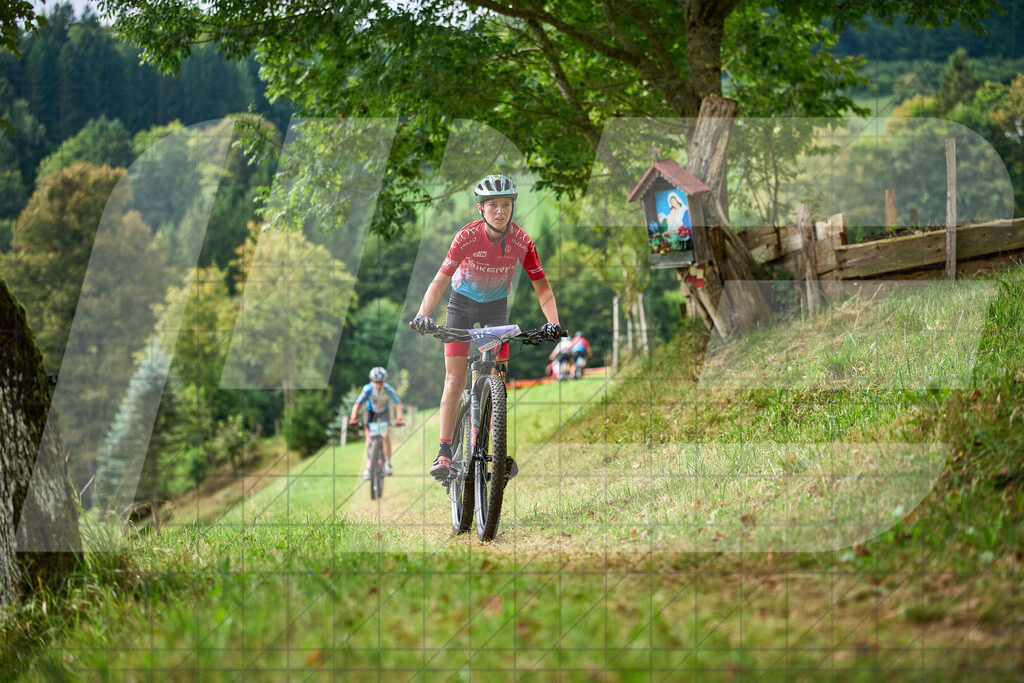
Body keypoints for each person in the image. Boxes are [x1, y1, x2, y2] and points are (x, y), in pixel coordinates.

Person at [409, 174, 561, 481]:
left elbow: (543, 288)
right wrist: (424, 314)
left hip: (496, 309)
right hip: (461, 305)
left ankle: (495, 447)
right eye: (493, 205)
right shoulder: (466, 237)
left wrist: (554, 324)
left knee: (497, 378)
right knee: (454, 378)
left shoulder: (521, 241)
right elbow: (440, 280)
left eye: (506, 205)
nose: (501, 211)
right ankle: (444, 451)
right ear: (481, 209)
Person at [348, 366, 404, 479]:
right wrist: (353, 417)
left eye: (381, 383)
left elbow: (397, 404)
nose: (378, 386)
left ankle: (388, 463)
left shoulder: (388, 389)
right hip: (371, 412)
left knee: (386, 435)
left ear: (385, 382)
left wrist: (399, 418)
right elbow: (358, 403)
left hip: (384, 412)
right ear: (371, 382)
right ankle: (368, 466)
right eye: (376, 383)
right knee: (368, 438)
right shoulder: (368, 389)